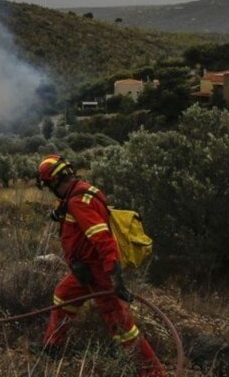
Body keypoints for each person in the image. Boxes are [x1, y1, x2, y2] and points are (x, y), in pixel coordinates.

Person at [38, 154, 168, 377]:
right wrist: (61, 212)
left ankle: (154, 373)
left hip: (98, 271)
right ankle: (53, 347)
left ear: (57, 181)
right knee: (63, 295)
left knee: (119, 323)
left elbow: (103, 239)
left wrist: (115, 278)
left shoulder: (78, 202)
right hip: (83, 269)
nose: (51, 190)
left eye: (50, 186)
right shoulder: (80, 192)